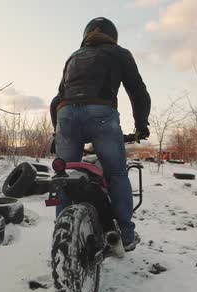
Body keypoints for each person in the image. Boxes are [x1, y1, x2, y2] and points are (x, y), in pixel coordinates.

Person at [52, 17, 151, 252]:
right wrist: (141, 126)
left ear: (86, 35)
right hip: (101, 114)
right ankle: (126, 235)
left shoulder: (73, 57)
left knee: (63, 176)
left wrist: (55, 133)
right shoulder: (119, 53)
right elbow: (138, 92)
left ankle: (61, 233)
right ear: (113, 36)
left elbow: (57, 100)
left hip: (65, 117)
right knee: (116, 174)